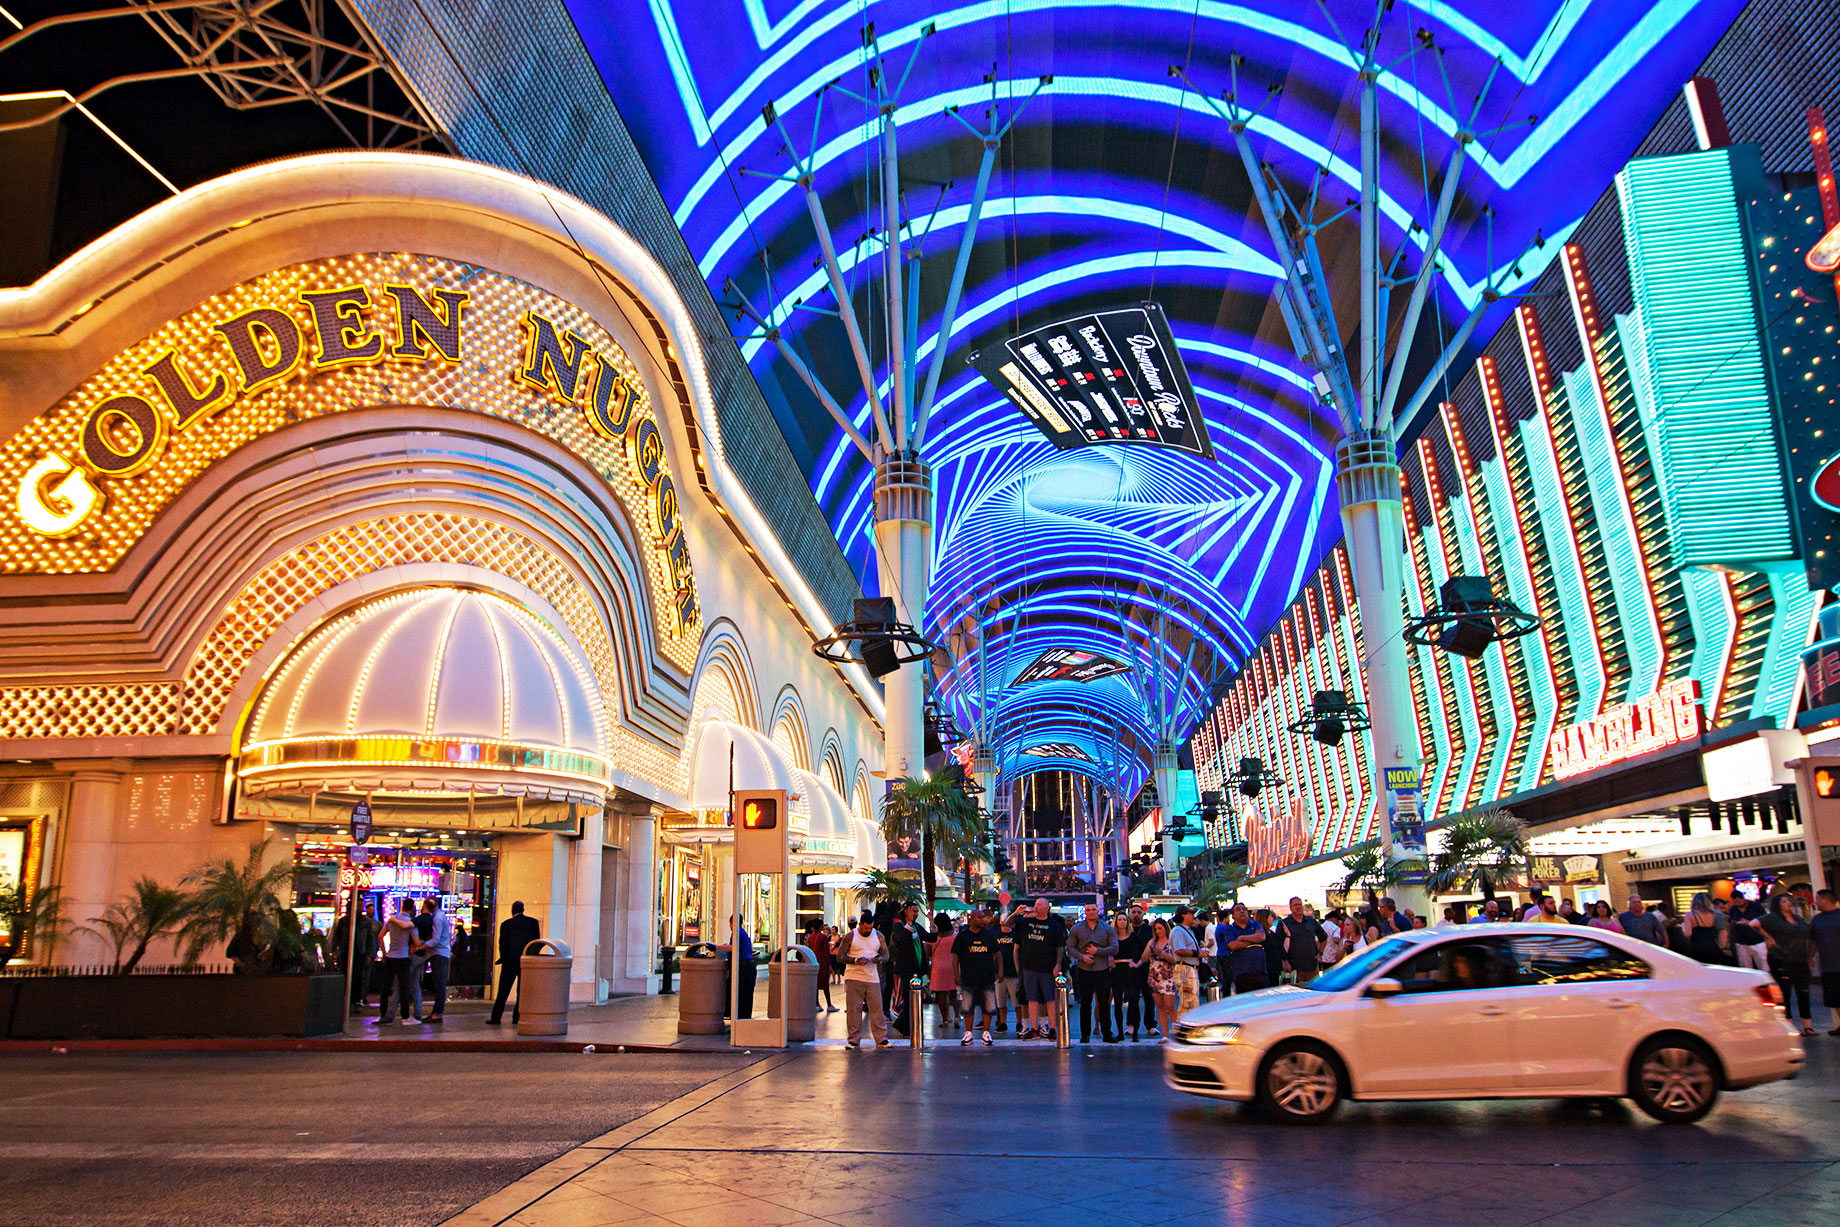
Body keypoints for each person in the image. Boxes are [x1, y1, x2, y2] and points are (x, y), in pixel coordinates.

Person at [1008, 898, 1068, 1039]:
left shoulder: (1053, 925)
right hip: (1029, 966)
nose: (1036, 907)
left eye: (1039, 905)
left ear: (1046, 908)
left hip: (1047, 967)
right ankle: (1033, 1029)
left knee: (1049, 999)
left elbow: (1059, 947)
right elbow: (1008, 924)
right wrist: (1016, 913)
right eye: (1035, 905)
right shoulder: (1027, 922)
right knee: (1032, 999)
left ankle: (1051, 1028)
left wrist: (1058, 964)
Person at [1761, 893, 1816, 1037]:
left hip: (1800, 958)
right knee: (1785, 992)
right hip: (1782, 959)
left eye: (1788, 901)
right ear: (1778, 906)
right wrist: (1769, 937)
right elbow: (1755, 923)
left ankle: (1807, 1025)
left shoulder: (1798, 919)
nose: (1788, 903)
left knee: (1803, 990)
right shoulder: (1773, 920)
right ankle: (1789, 1025)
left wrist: (1809, 957)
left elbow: (1807, 934)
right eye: (1784, 901)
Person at [834, 913, 891, 1048]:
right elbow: (839, 956)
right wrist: (855, 960)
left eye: (870, 928)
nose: (868, 931)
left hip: (872, 977)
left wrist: (880, 959)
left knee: (877, 1007)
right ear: (860, 925)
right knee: (854, 1009)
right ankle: (853, 1039)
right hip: (853, 976)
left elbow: (886, 954)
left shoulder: (878, 936)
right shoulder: (851, 936)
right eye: (865, 928)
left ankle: (881, 1038)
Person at [1066, 903, 1120, 1043]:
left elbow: (1115, 948)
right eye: (1088, 910)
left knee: (1104, 1003)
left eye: (1093, 910)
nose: (1091, 912)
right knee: (1085, 1003)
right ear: (1085, 912)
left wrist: (1098, 951)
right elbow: (1070, 948)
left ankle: (1107, 1033)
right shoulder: (1076, 929)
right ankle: (1085, 1034)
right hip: (1084, 970)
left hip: (1102, 970)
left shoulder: (1107, 928)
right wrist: (1082, 957)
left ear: (1097, 911)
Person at [487, 901, 541, 1025]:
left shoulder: (506, 924)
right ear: (523, 909)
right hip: (525, 962)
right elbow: (536, 942)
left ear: (513, 910)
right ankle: (517, 1017)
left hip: (509, 962)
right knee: (521, 992)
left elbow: (503, 944)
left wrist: (503, 958)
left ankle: (496, 1017)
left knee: (503, 991)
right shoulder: (533, 923)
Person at [952, 909, 1000, 1045]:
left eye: (982, 917)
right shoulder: (962, 936)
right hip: (968, 977)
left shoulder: (989, 935)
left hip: (987, 976)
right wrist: (956, 974)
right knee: (967, 1006)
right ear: (971, 918)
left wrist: (999, 971)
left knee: (989, 1006)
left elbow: (998, 953)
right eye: (979, 917)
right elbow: (955, 956)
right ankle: (968, 1032)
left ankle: (986, 1032)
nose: (982, 920)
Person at [372, 899, 423, 1025]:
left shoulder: (391, 920)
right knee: (404, 987)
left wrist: (384, 953)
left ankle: (383, 1014)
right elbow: (416, 942)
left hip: (391, 956)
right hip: (403, 957)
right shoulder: (410, 923)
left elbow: (380, 936)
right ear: (412, 908)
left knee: (386, 986)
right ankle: (405, 1016)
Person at [1113, 904, 1154, 1040]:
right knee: (1121, 1000)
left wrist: (1139, 961)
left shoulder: (1147, 930)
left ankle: (1149, 1025)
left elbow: (1148, 948)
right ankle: (1127, 1027)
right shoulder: (1113, 936)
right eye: (1133, 912)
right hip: (1120, 971)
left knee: (1145, 997)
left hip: (1140, 968)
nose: (1136, 914)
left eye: (1139, 912)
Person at [889, 903, 928, 1037]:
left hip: (916, 968)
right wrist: (908, 924)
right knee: (907, 998)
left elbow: (931, 938)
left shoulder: (917, 927)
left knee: (914, 998)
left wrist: (932, 922)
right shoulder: (899, 926)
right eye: (913, 911)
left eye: (917, 911)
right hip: (905, 968)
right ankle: (904, 1026)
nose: (915, 914)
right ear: (905, 911)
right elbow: (902, 939)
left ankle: (905, 1025)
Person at [1217, 902, 1267, 994]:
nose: (1242, 911)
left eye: (1244, 909)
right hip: (1242, 972)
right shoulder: (1230, 928)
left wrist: (1241, 938)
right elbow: (1232, 945)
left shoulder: (1255, 924)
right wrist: (1253, 939)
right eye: (1238, 910)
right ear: (1233, 915)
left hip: (1260, 970)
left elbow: (1261, 937)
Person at [1140, 918, 1178, 1036]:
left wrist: (1162, 954)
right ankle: (1165, 1035)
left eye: (1160, 928)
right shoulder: (1152, 942)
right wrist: (1150, 952)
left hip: (1168, 976)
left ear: (1166, 928)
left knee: (1170, 1006)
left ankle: (1176, 1033)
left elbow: (1176, 960)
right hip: (1155, 976)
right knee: (1160, 1007)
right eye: (1155, 929)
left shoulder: (1172, 941)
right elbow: (1143, 958)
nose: (1158, 931)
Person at [1277, 896, 1328, 985]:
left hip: (1311, 966)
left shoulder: (1311, 922)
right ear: (1290, 907)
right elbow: (1278, 944)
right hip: (1293, 967)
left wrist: (1320, 953)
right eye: (1295, 905)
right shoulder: (1284, 923)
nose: (1298, 907)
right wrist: (1284, 961)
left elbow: (1323, 938)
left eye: (1300, 905)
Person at [714, 917, 756, 1020]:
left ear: (732, 923)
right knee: (745, 996)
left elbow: (732, 947)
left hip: (744, 967)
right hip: (748, 966)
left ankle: (740, 1022)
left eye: (730, 924)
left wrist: (716, 947)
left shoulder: (737, 932)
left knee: (742, 996)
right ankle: (742, 1020)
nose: (730, 926)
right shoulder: (742, 932)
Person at [1812, 890, 1840, 1037]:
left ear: (1826, 899)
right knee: (1834, 998)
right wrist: (1809, 958)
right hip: (1828, 965)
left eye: (1817, 898)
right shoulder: (1817, 920)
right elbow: (1813, 941)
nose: (1815, 902)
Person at [419, 898, 453, 1022]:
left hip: (438, 953)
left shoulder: (437, 918)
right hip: (439, 953)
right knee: (438, 983)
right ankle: (436, 1012)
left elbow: (435, 939)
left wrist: (422, 946)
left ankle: (437, 1013)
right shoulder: (440, 916)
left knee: (439, 984)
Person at [929, 913, 960, 1031]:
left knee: (941, 995)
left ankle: (945, 1019)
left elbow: (927, 955)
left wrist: (928, 970)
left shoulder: (932, 938)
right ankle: (957, 1016)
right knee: (954, 994)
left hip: (938, 968)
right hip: (953, 967)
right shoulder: (956, 936)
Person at [993, 911, 1020, 1033]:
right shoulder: (995, 936)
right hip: (999, 973)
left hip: (1013, 972)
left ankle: (1019, 1022)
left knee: (1016, 1000)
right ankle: (1003, 1022)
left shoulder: (1015, 936)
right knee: (1001, 1000)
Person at [1684, 892, 1725, 963]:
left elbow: (1688, 934)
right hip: (1712, 946)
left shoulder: (1689, 915)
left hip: (1697, 947)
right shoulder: (1713, 914)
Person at [804, 921, 836, 1012]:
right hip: (822, 963)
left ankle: (817, 1004)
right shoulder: (823, 938)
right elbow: (826, 952)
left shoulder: (810, 938)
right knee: (825, 984)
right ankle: (829, 1004)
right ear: (820, 927)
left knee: (816, 984)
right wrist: (829, 964)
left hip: (813, 962)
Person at [1732, 896, 1769, 971]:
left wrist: (1749, 923)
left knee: (1764, 966)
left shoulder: (1756, 906)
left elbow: (1765, 921)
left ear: (1743, 899)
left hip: (1758, 941)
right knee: (1745, 969)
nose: (1737, 904)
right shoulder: (1733, 909)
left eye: (1739, 901)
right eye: (1735, 902)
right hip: (1742, 942)